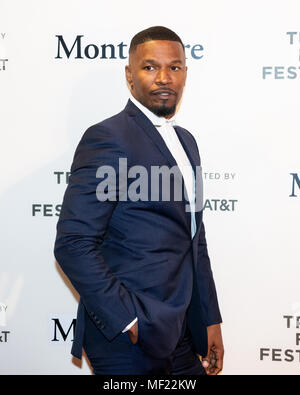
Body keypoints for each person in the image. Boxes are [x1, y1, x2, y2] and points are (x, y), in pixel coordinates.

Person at [54, 26, 224, 375]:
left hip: (184, 333)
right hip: (130, 340)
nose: (164, 78)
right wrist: (127, 319)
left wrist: (209, 319)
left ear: (185, 74)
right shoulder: (108, 137)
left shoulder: (186, 141)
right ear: (130, 76)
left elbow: (194, 238)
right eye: (150, 67)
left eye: (174, 67)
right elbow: (73, 243)